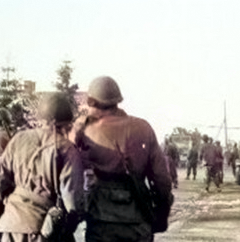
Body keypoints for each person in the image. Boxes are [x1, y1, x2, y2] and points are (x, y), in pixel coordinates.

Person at [73, 75, 173, 242]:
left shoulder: (84, 130)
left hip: (100, 221)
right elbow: (162, 179)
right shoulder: (143, 128)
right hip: (137, 220)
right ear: (117, 100)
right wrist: (162, 215)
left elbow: (70, 171)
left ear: (92, 101)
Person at [0, 92, 83, 242]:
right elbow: (73, 202)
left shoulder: (18, 139)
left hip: (11, 226)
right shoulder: (67, 149)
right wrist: (66, 228)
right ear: (65, 124)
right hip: (44, 230)